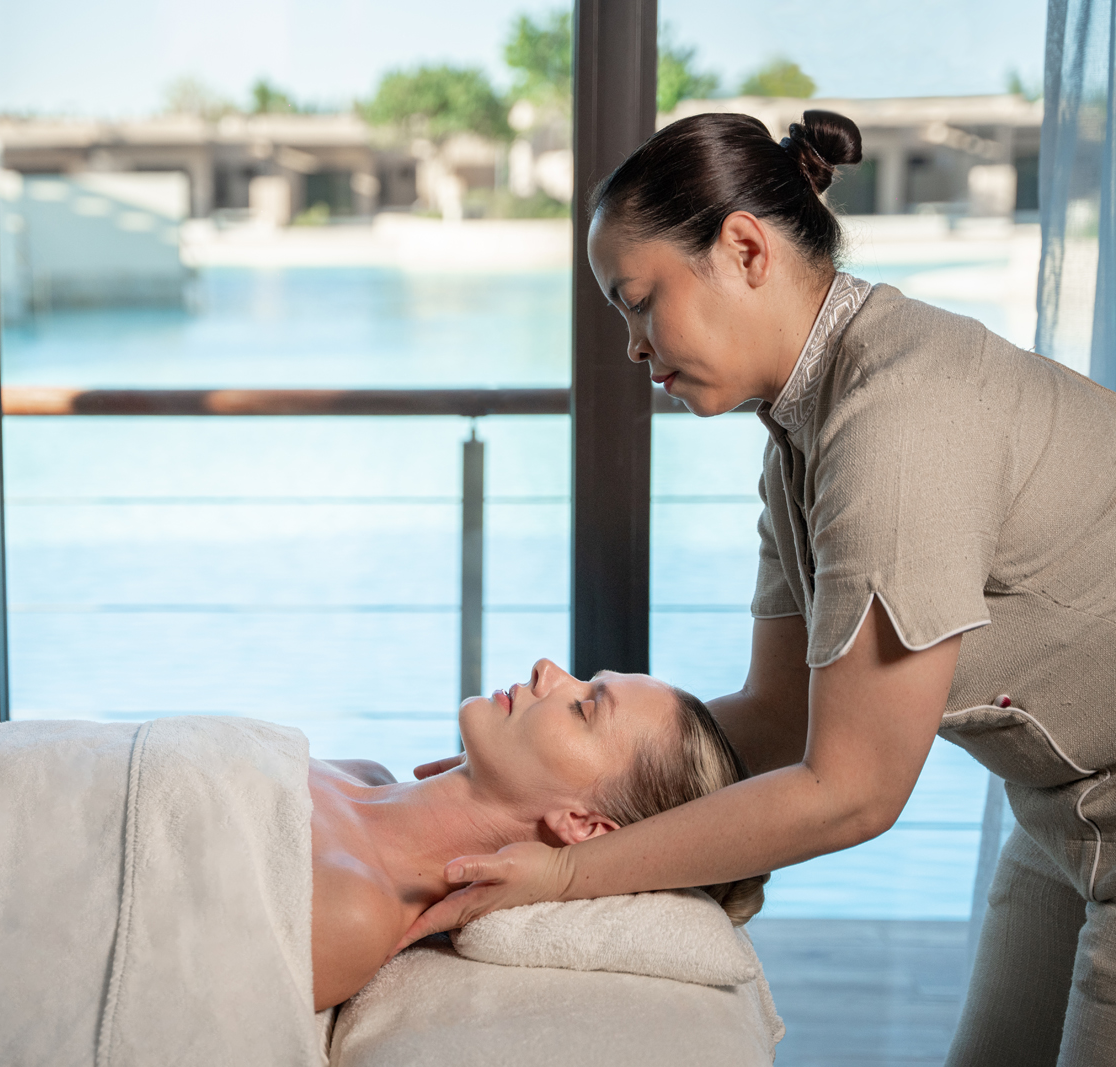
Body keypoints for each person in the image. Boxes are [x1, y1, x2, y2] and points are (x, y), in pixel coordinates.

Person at [399, 109, 1116, 1066]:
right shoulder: (800, 432)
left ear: (743, 249)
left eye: (641, 299)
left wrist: (569, 871)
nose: (632, 346)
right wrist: (518, 785)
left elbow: (852, 792)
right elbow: (780, 717)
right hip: (1060, 803)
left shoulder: (896, 423)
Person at [308, 658, 761, 1010]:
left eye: (584, 709)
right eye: (585, 679)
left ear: (584, 825)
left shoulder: (354, 911)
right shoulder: (364, 774)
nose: (546, 669)